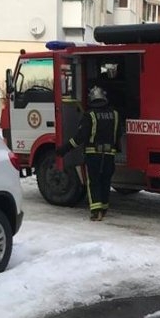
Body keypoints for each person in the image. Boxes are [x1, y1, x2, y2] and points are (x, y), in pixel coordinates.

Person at [57, 86, 120, 221]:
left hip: (94, 154)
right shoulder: (114, 113)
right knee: (105, 181)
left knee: (94, 182)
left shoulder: (89, 115)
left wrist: (64, 149)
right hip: (109, 155)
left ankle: (95, 212)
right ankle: (103, 209)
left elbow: (79, 138)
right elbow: (117, 134)